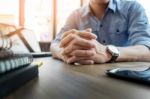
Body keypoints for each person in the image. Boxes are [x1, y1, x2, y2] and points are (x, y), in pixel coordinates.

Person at [50, 0, 150, 65]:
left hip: (126, 77)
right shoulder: (75, 15)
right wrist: (64, 53)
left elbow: (147, 51)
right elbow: (55, 44)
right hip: (87, 78)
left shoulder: (132, 8)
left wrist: (108, 53)